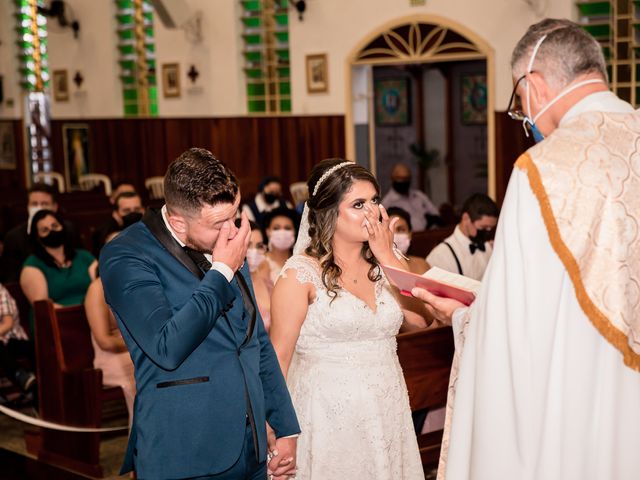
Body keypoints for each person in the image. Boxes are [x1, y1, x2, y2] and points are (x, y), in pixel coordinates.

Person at [413, 19, 640, 480]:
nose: (525, 119)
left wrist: (460, 316)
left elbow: (514, 335)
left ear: (532, 84)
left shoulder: (544, 170)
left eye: (519, 105)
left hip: (581, 419)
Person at [99, 148, 299, 479]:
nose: (234, 232)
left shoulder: (226, 239)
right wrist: (221, 271)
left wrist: (284, 425)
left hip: (251, 447)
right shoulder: (126, 255)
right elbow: (166, 347)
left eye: (236, 215)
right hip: (185, 450)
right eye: (220, 223)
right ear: (178, 220)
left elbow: (254, 340)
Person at [270, 158, 428, 479]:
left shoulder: (388, 264)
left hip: (386, 408)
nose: (371, 213)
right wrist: (277, 431)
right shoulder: (300, 275)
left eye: (374, 201)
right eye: (358, 204)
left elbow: (421, 319)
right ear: (328, 212)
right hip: (326, 415)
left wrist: (386, 257)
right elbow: (278, 361)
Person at [84, 228, 136, 425]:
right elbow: (104, 341)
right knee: (145, 372)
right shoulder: (97, 288)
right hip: (113, 356)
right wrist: (144, 344)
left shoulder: (140, 281)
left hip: (138, 348)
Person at [20, 209, 97, 316]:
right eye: (45, 230)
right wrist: (75, 313)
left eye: (55, 226)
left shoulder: (84, 256)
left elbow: (101, 289)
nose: (51, 231)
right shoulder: (32, 265)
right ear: (37, 237)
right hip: (56, 319)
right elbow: (42, 306)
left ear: (63, 227)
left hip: (92, 313)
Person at [1, 183, 81, 282]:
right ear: (28, 207)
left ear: (55, 207)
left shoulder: (69, 229)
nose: (39, 208)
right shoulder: (13, 237)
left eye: (45, 204)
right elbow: (11, 279)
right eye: (34, 204)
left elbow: (79, 262)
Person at [426, 193, 499, 281]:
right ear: (466, 218)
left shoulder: (489, 248)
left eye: (491, 228)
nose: (488, 232)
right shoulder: (441, 256)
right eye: (483, 227)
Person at [0, 283, 36, 398]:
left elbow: (7, 324)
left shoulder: (1, 291)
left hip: (12, 338)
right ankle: (19, 375)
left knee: (34, 349)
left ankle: (25, 379)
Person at [381, 163, 439, 231]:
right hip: (405, 237)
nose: (403, 181)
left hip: (427, 233)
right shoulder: (387, 203)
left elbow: (436, 215)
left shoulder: (419, 195)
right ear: (392, 178)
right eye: (400, 178)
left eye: (406, 178)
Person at [92, 191, 145, 255]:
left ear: (143, 210)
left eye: (137, 209)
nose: (132, 213)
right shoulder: (108, 238)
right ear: (116, 214)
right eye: (126, 210)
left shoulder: (153, 232)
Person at [386, 206, 430, 274]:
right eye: (389, 230)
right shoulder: (377, 270)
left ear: (410, 234)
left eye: (400, 230)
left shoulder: (422, 265)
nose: (394, 235)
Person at [246, 221, 272, 331]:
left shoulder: (268, 283)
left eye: (259, 246)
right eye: (248, 245)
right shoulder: (231, 288)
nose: (254, 252)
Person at [263, 207, 298, 284]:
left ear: (294, 232)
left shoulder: (300, 260)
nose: (282, 232)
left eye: (287, 228)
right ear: (268, 231)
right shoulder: (260, 262)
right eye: (276, 228)